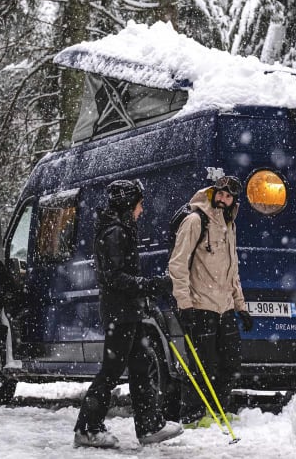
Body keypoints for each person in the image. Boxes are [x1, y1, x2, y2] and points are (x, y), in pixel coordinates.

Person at [73, 179, 183, 448]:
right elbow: (115, 277)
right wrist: (150, 285)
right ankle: (87, 428)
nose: (141, 210)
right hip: (119, 313)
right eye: (139, 204)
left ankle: (149, 427)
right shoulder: (114, 232)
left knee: (140, 367)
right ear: (127, 204)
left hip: (128, 311)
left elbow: (123, 276)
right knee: (111, 371)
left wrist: (146, 291)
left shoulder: (122, 229)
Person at [169, 175, 254, 427]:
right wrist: (184, 304)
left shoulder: (230, 226)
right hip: (200, 305)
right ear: (212, 193)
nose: (223, 199)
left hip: (225, 307)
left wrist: (241, 306)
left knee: (231, 362)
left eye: (229, 197)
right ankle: (194, 414)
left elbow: (232, 270)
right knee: (202, 365)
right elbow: (178, 264)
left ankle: (218, 408)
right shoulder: (196, 220)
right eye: (220, 194)